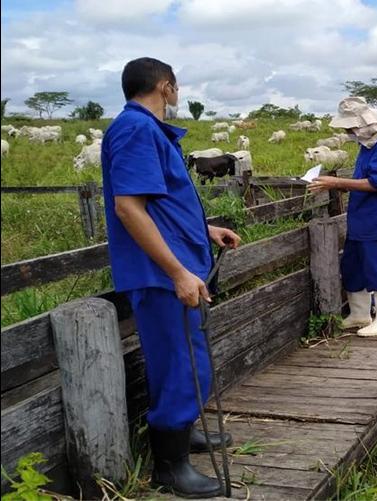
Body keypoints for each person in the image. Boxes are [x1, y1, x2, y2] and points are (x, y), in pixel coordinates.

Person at [101, 57, 241, 498]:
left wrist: (205, 230)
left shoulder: (144, 129)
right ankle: (170, 466)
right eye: (176, 87)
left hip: (172, 265)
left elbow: (160, 205)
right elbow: (129, 208)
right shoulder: (138, 130)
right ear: (165, 87)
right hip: (162, 273)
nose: (177, 94)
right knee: (183, 361)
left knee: (180, 359)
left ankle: (183, 431)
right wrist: (178, 271)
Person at [308, 97, 377, 337]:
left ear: (363, 123)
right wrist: (341, 185)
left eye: (351, 127)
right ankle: (360, 313)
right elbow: (364, 178)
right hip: (363, 217)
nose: (349, 132)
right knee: (354, 265)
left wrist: (337, 182)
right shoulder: (368, 144)